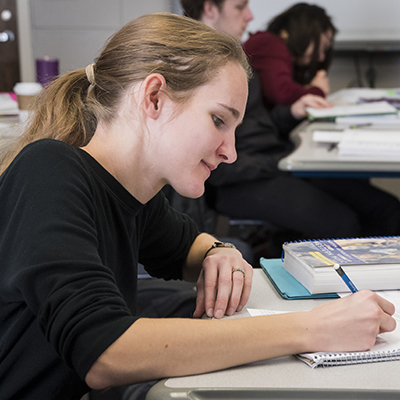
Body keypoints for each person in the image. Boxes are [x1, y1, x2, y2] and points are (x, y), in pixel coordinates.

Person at [0, 12, 396, 400]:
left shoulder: (134, 195)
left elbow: (190, 245)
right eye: (219, 120)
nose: (231, 153)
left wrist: (217, 252)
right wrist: (312, 329)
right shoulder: (49, 170)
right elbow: (106, 352)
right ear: (154, 97)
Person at [181, 0, 400, 257]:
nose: (250, 16)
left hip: (269, 163)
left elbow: (255, 126)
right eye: (240, 7)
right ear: (210, 8)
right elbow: (213, 161)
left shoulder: (233, 60)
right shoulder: (194, 70)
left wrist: (290, 114)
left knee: (382, 209)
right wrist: (278, 161)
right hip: (237, 180)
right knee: (342, 224)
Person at [243, 3, 336, 109]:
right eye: (322, 47)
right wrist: (317, 90)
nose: (321, 57)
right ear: (305, 34)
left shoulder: (277, 49)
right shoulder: (269, 44)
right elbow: (281, 93)